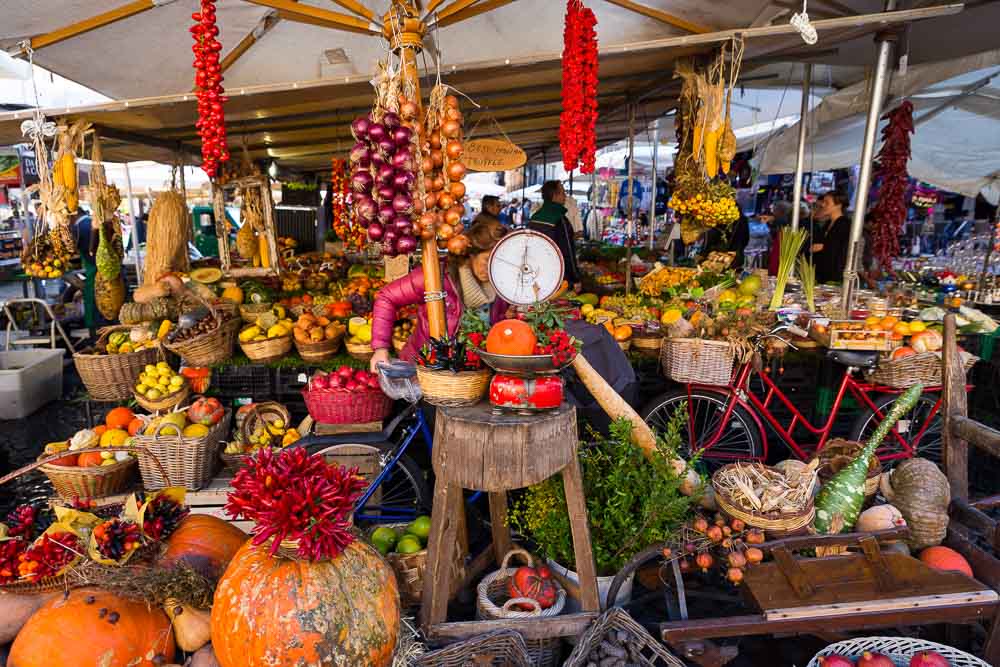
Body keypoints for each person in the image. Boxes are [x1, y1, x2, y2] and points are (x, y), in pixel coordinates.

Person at [369, 219, 510, 369]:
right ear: (470, 254)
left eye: (498, 262)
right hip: (425, 370)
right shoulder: (436, 276)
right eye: (487, 260)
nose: (492, 268)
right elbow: (386, 297)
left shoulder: (502, 287)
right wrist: (380, 349)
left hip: (471, 377)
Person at [528, 180, 581, 291]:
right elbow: (568, 253)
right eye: (563, 192)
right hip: (558, 278)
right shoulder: (559, 219)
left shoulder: (534, 218)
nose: (565, 196)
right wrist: (575, 278)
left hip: (537, 275)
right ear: (554, 195)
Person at [811, 190, 852, 283]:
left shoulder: (844, 224)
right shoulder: (827, 223)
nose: (823, 205)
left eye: (827, 202)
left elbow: (841, 250)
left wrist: (823, 247)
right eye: (823, 202)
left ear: (838, 205)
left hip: (835, 276)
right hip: (822, 274)